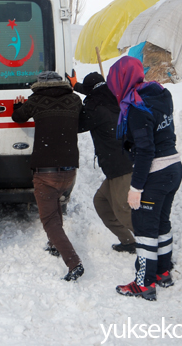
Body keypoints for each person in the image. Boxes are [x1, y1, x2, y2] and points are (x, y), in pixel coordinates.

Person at [106, 56, 182, 301]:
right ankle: (163, 272)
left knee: (145, 230)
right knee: (161, 224)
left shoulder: (137, 107)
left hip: (156, 172)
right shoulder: (159, 94)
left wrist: (136, 187)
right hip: (173, 167)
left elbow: (146, 151)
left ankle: (144, 283)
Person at [11, 71, 84, 281]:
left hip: (45, 170)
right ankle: (54, 244)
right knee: (56, 204)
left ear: (40, 84)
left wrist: (18, 106)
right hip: (69, 169)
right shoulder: (74, 99)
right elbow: (83, 120)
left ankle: (74, 262)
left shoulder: (36, 100)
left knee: (50, 219)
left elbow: (18, 117)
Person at [69, 70, 136, 253]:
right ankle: (129, 242)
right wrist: (76, 86)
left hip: (120, 169)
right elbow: (94, 90)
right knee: (102, 203)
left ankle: (153, 245)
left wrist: (69, 102)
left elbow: (76, 125)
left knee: (124, 212)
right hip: (123, 164)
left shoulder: (96, 110)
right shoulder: (112, 98)